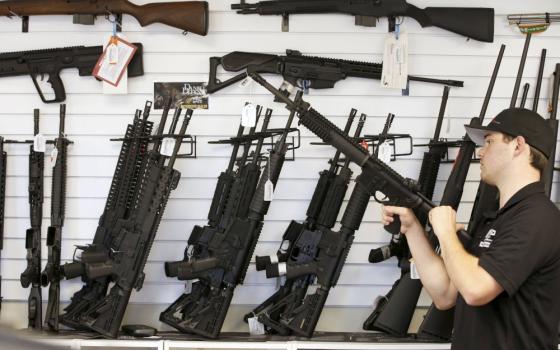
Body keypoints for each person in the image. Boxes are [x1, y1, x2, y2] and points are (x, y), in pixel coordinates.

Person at [382, 107, 560, 350]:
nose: (480, 151)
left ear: (518, 146)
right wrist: (412, 227)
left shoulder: (537, 218)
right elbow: (445, 294)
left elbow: (476, 289)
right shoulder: (497, 219)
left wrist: (445, 233)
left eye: (489, 141)